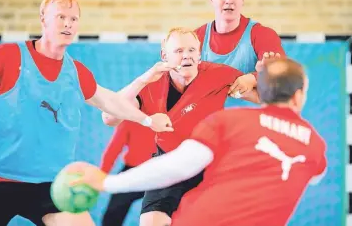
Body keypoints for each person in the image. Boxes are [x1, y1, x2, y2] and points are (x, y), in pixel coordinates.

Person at [0, 0, 173, 226]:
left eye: (74, 19)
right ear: (43, 18)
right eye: (61, 17)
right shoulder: (5, 57)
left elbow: (109, 101)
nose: (68, 24)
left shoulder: (76, 72)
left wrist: (147, 120)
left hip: (50, 185)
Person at [67, 58, 327, 226]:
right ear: (298, 96)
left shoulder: (228, 122)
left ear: (264, 93)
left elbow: (176, 166)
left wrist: (106, 182)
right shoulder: (315, 149)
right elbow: (312, 174)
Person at [101, 27, 260, 226]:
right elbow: (109, 117)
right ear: (164, 55)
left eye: (192, 50)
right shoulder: (151, 84)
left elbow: (265, 96)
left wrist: (253, 77)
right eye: (178, 51)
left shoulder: (219, 75)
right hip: (168, 164)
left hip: (209, 167)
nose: (186, 56)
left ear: (199, 53)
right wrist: (142, 80)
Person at [196, 0, 286, 105]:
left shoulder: (262, 35)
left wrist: (254, 78)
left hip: (252, 123)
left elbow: (283, 76)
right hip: (210, 122)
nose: (229, 0)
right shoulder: (197, 37)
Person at [100, 120, 157, 226]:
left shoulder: (130, 117)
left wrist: (101, 175)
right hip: (139, 172)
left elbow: (114, 148)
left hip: (157, 172)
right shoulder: (129, 119)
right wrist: (101, 175)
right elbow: (114, 149)